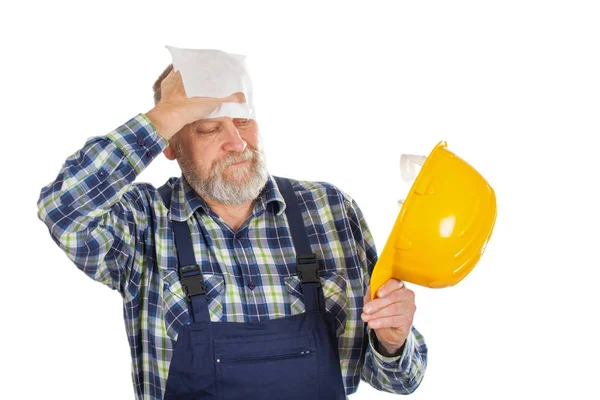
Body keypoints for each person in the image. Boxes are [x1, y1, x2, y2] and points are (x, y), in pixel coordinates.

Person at [37, 61, 428, 399]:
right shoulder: (142, 223)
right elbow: (62, 209)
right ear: (170, 144)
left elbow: (400, 380)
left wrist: (392, 341)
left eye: (243, 120)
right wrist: (164, 114)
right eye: (209, 128)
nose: (237, 142)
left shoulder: (329, 210)